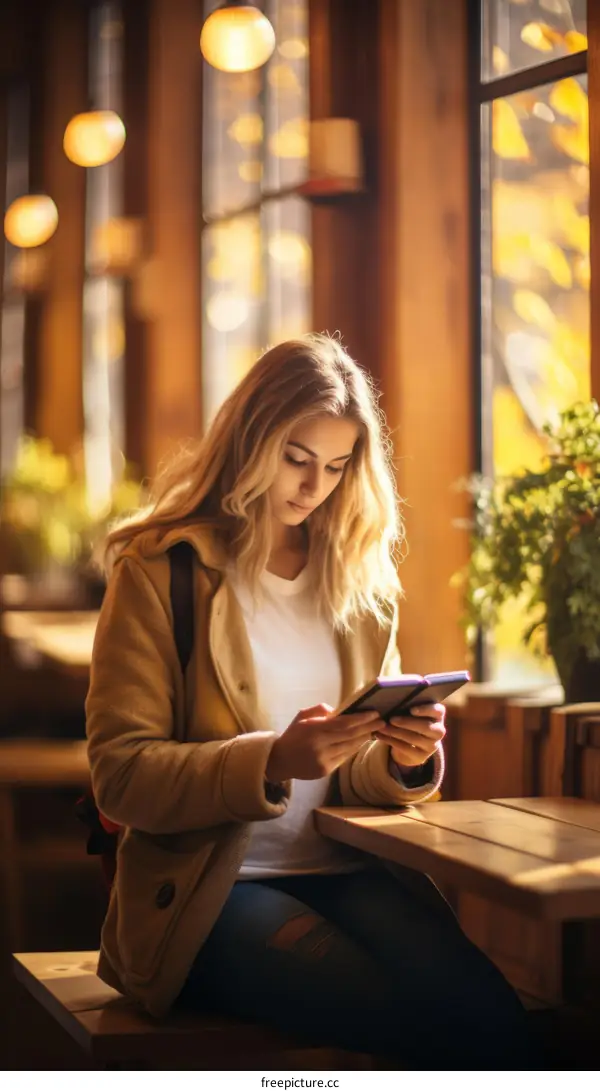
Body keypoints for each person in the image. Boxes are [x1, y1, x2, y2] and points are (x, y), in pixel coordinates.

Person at [86, 334, 540, 1069]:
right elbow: (120, 775)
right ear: (250, 437)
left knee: (490, 1013)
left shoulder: (356, 586)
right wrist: (270, 759)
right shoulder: (161, 573)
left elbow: (350, 772)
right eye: (297, 458)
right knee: (396, 1017)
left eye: (335, 466)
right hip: (212, 894)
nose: (313, 485)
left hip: (347, 870)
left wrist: (404, 758)